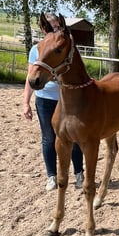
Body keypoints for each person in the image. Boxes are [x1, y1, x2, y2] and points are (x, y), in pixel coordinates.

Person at [22, 13, 84, 191]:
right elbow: (30, 77)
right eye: (50, 26)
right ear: (44, 29)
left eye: (57, 25)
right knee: (49, 138)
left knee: (75, 137)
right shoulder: (37, 49)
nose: (54, 29)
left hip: (67, 99)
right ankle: (52, 176)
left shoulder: (64, 46)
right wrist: (26, 102)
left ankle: (79, 173)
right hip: (45, 100)